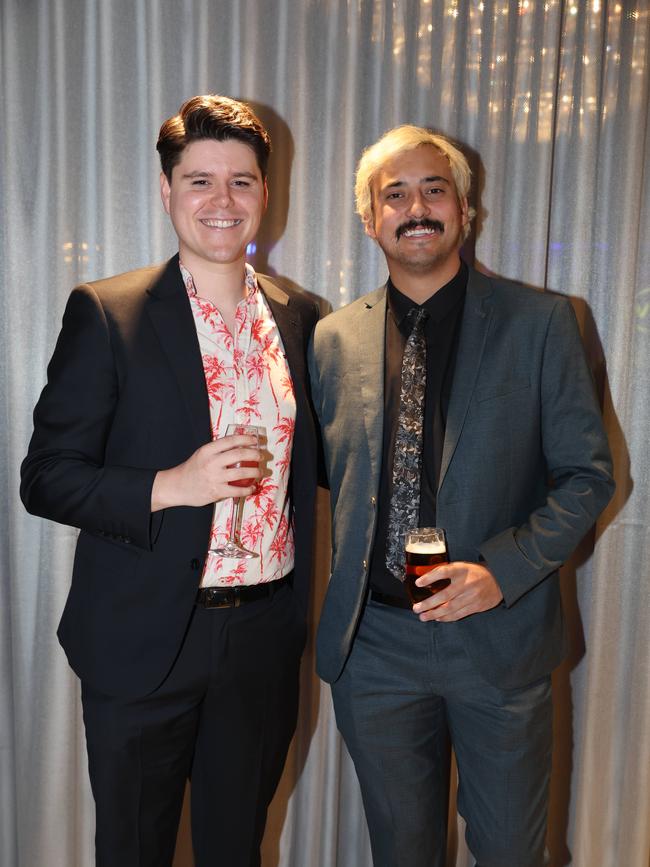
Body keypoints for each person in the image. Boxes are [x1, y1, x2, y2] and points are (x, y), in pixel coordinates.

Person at [21, 94, 319, 867]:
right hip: (142, 637)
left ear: (265, 191)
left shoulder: (302, 318)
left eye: (242, 181)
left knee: (236, 852)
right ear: (166, 190)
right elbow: (46, 478)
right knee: (134, 851)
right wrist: (169, 485)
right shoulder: (107, 312)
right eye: (200, 181)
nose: (223, 201)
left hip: (262, 635)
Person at [308, 125, 614, 867]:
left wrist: (499, 573)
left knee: (511, 850)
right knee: (400, 853)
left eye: (435, 189)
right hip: (374, 648)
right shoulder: (330, 339)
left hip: (498, 642)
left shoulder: (543, 323)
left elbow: (587, 475)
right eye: (396, 193)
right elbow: (334, 480)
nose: (417, 206)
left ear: (465, 211)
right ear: (370, 218)